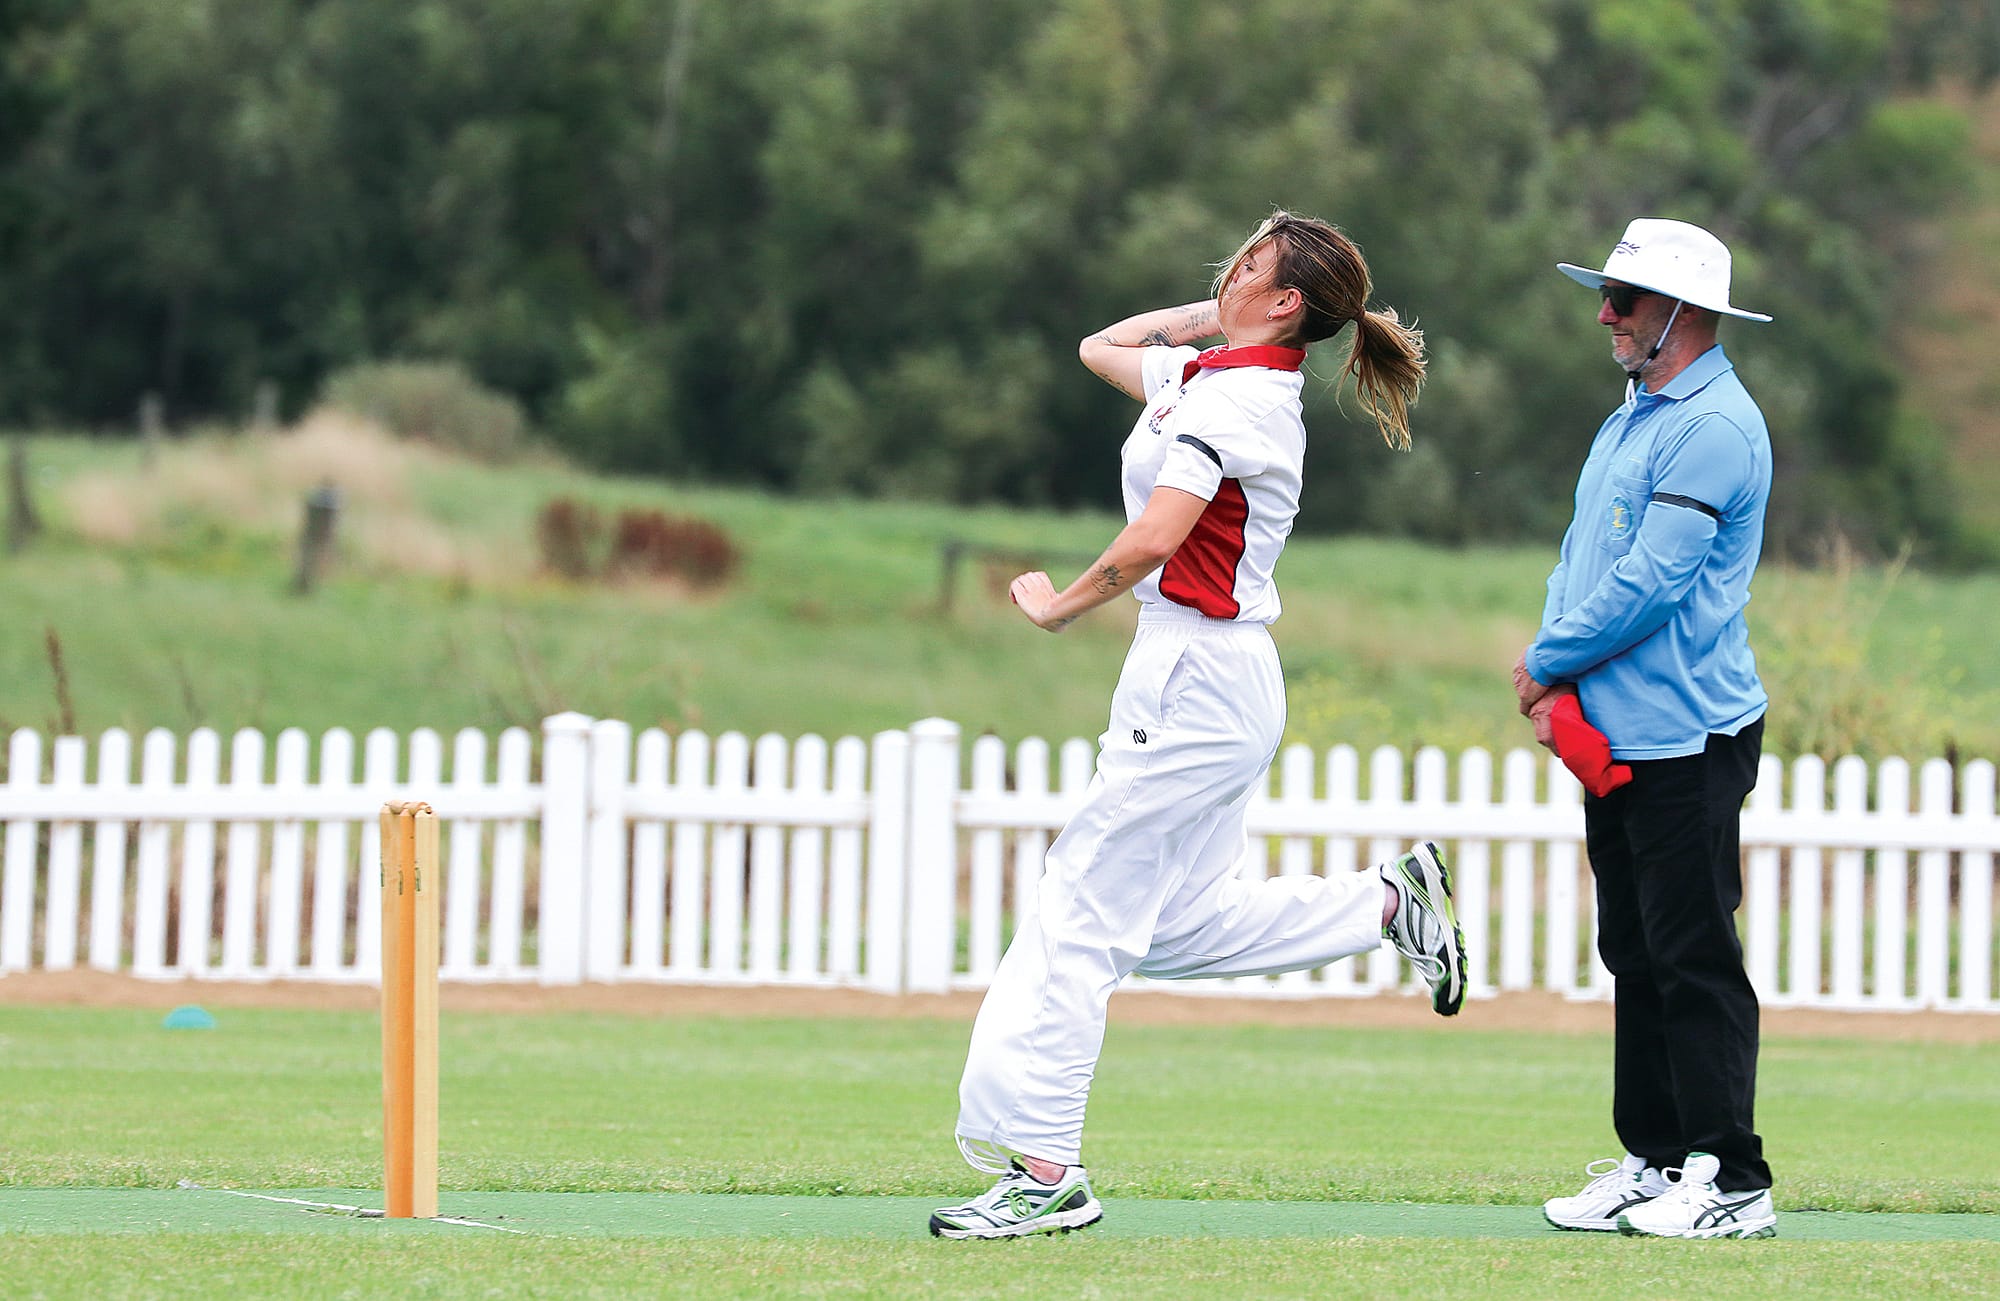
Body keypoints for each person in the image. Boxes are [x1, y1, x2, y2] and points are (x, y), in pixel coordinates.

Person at [929, 210, 1466, 1241]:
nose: (1227, 269)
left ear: (1285, 302)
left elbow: (1148, 542)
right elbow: (1103, 347)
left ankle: (1044, 1170)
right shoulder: (1219, 376)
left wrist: (1056, 606)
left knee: (1079, 907)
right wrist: (1219, 316)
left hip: (1193, 674)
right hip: (1209, 678)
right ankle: (1383, 905)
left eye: (1249, 264)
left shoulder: (1243, 407)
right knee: (1171, 924)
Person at [1515, 217, 1778, 1241]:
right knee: (1632, 945)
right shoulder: (1634, 414)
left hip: (1687, 733)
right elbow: (1584, 558)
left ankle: (1733, 1179)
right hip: (1623, 732)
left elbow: (1653, 582)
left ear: (1678, 311)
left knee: (1691, 951)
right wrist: (1556, 670)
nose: (1604, 314)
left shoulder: (1711, 425)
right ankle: (1657, 1157)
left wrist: (1545, 660)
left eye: (1621, 300)